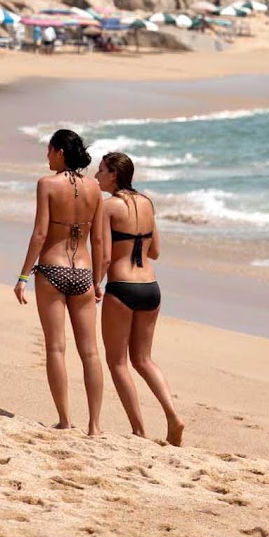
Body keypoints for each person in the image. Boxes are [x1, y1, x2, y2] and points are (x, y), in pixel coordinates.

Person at [14, 129, 104, 433]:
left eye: (49, 150)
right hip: (84, 272)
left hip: (52, 270)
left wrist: (23, 276)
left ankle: (66, 421)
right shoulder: (95, 189)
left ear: (60, 152)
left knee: (55, 348)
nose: (46, 156)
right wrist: (99, 281)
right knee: (90, 351)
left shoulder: (47, 185)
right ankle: (95, 425)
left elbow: (40, 233)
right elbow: (100, 240)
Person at [97, 151, 184, 446]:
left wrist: (96, 283)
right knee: (144, 359)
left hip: (121, 287)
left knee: (118, 362)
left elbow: (105, 255)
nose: (96, 176)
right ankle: (172, 415)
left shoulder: (107, 207)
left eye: (101, 171)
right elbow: (155, 251)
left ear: (113, 175)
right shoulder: (147, 203)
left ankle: (139, 430)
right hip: (151, 286)